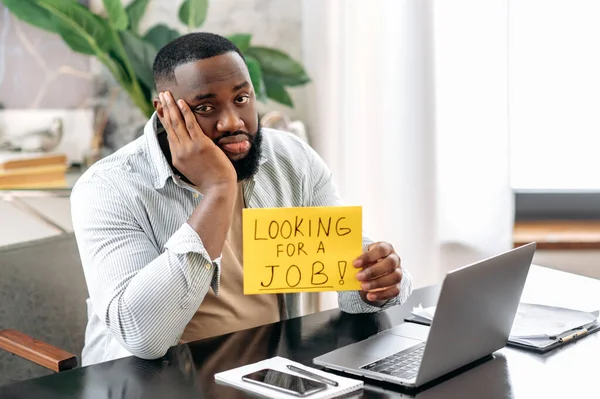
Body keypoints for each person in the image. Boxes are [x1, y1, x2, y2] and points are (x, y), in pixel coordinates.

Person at [71, 32, 413, 366]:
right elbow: (143, 337)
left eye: (242, 99)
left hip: (269, 368)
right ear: (165, 112)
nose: (232, 122)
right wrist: (219, 190)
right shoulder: (107, 187)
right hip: (155, 380)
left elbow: (354, 286)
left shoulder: (293, 159)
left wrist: (377, 283)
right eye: (205, 107)